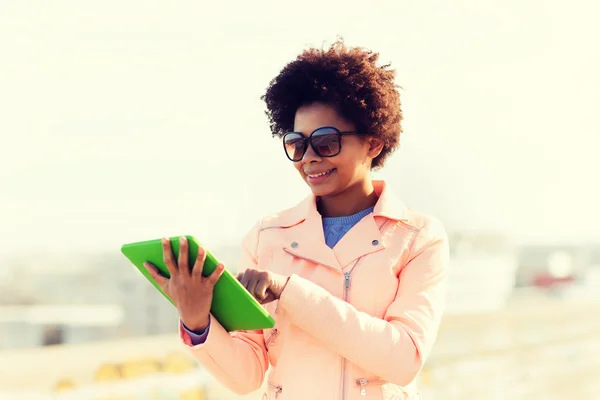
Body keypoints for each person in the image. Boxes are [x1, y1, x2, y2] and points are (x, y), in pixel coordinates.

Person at [144, 39, 449, 400]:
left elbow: (403, 359)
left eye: (325, 141)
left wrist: (288, 291)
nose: (309, 158)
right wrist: (198, 322)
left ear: (373, 142)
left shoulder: (417, 238)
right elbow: (247, 376)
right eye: (297, 144)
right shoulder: (266, 236)